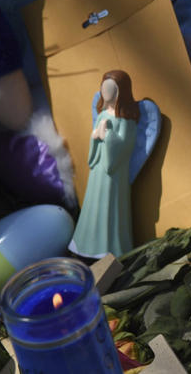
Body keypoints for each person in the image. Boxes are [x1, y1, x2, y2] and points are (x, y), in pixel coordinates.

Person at [70, 70, 140, 258]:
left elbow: (126, 145)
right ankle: (87, 244)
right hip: (99, 169)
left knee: (111, 208)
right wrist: (96, 136)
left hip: (113, 172)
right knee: (93, 204)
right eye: (104, 87)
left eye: (110, 88)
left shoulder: (126, 119)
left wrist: (107, 135)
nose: (105, 91)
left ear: (120, 91)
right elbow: (95, 137)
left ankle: (112, 247)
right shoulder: (102, 114)